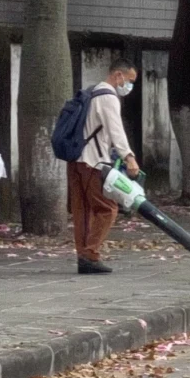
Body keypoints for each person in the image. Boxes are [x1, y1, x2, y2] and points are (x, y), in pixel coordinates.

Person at [67, 60, 140, 274]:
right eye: (129, 81)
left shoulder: (90, 93)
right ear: (118, 75)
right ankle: (90, 254)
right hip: (93, 161)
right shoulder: (108, 97)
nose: (129, 86)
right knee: (107, 208)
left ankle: (84, 255)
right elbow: (115, 130)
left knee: (82, 211)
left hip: (75, 159)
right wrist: (129, 157)